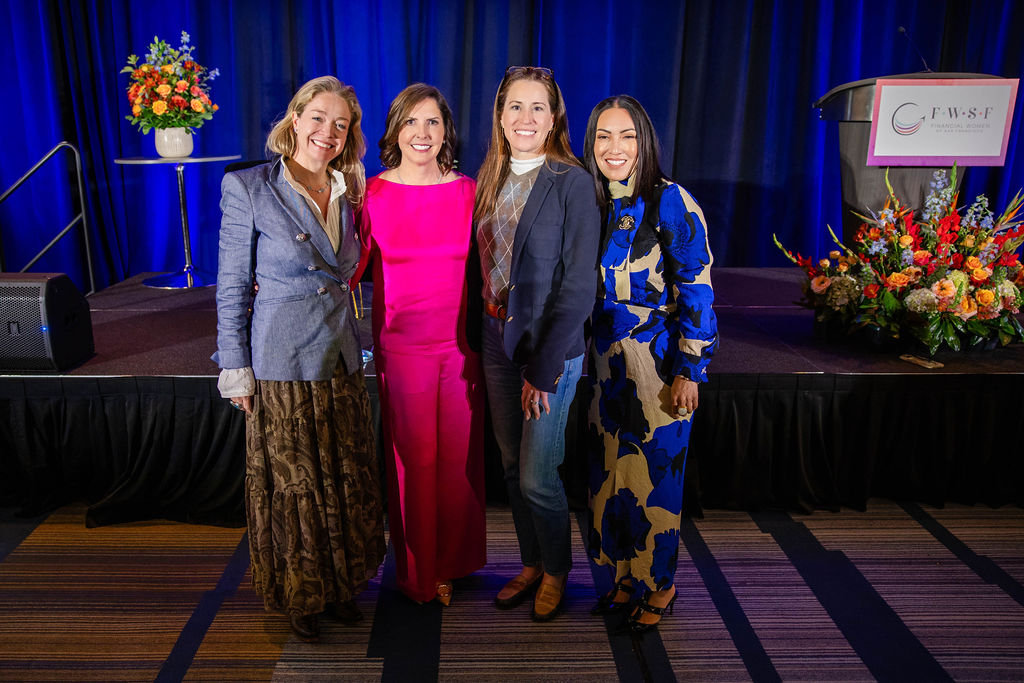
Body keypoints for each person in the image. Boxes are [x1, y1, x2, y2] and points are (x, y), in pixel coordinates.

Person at [214, 76, 385, 641]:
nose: (327, 132)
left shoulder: (350, 190)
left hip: (340, 356)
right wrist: (234, 366)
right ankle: (301, 594)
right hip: (281, 362)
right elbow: (233, 287)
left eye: (341, 124)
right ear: (294, 118)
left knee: (343, 478)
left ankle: (339, 586)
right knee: (296, 486)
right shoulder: (249, 187)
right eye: (318, 117)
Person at [582, 95, 717, 633]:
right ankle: (623, 574)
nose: (615, 149)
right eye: (603, 137)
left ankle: (660, 584)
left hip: (656, 361)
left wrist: (691, 368)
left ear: (646, 142)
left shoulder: (670, 200)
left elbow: (697, 286)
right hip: (602, 361)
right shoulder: (592, 200)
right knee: (610, 475)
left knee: (651, 477)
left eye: (627, 137)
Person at [474, 66, 600, 621]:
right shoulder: (487, 178)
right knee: (508, 466)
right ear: (501, 117)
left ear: (555, 118)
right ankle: (529, 562)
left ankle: (556, 570)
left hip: (549, 348)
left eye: (538, 108)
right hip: (492, 335)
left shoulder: (570, 180)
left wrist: (543, 369)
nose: (526, 118)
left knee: (536, 475)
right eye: (515, 107)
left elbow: (578, 287)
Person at [353, 83, 485, 605]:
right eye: (411, 122)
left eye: (432, 122)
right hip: (401, 350)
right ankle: (418, 570)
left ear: (446, 132)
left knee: (457, 462)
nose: (422, 133)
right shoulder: (372, 195)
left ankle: (452, 563)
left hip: (461, 351)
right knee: (414, 462)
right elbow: (347, 268)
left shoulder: (470, 192)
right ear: (395, 131)